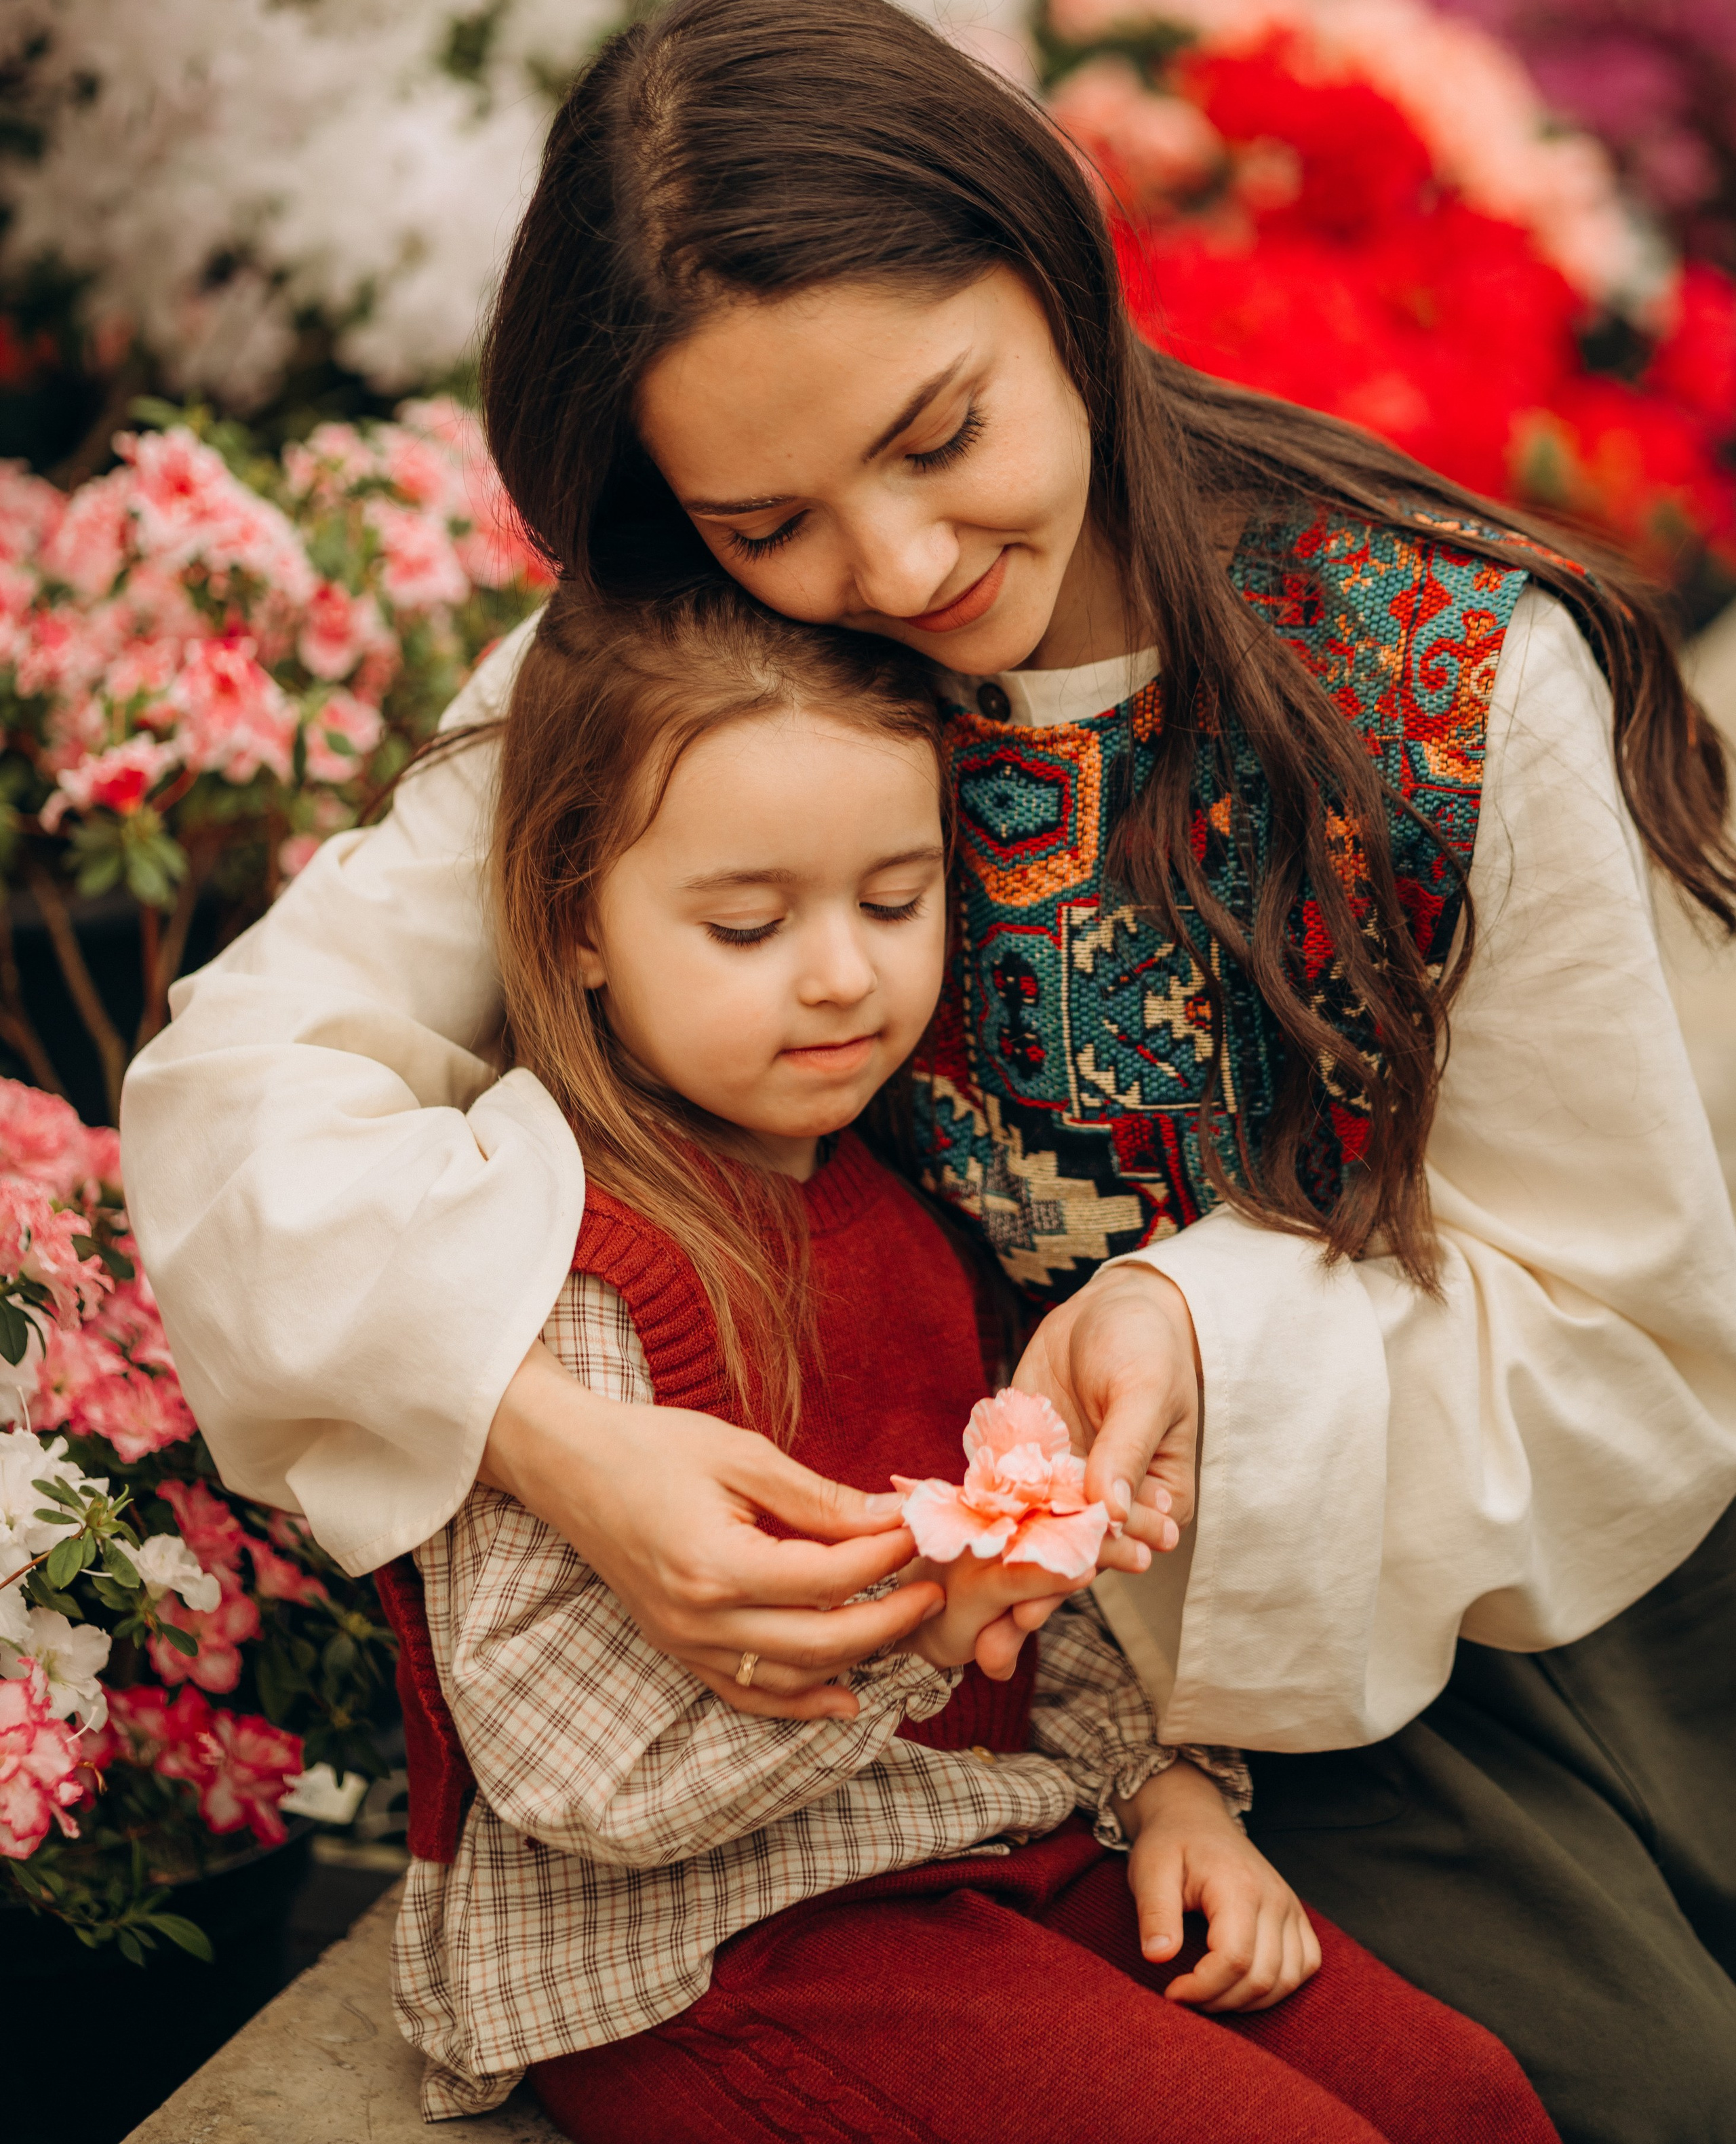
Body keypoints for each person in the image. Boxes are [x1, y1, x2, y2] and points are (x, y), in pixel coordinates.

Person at [121, 0, 1736, 2141]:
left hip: (1387, 1583)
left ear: (1057, 266)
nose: (886, 568)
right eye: (767, 520)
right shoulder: (682, 666)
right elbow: (248, 1078)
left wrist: (1201, 1322)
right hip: (917, 1699)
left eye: (940, 432)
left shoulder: (1441, 678)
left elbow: (1615, 1315)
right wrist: (545, 1436)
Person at [387, 576, 1554, 2143]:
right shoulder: (557, 1254)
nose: (841, 976)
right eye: (748, 923)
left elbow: (1055, 1607)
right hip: (701, 1945)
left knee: (1457, 2096)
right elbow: (583, 1780)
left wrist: (1164, 1789)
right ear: (575, 917)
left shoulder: (914, 1205)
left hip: (985, 1847)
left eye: (893, 900)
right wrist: (927, 1630)